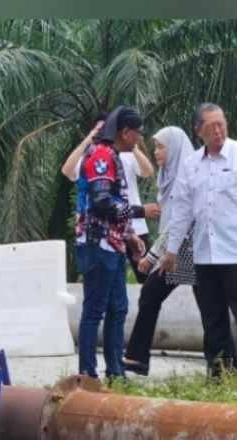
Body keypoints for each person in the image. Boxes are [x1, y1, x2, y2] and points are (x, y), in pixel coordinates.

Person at [159, 103, 237, 378]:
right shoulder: (190, 165)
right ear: (198, 131)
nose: (218, 131)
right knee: (212, 318)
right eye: (211, 126)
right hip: (204, 254)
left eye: (221, 124)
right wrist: (171, 250)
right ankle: (220, 370)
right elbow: (181, 211)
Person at [69, 106, 154, 381]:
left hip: (114, 243)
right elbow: (101, 202)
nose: (140, 139)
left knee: (118, 307)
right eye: (138, 133)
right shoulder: (101, 156)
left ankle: (116, 371)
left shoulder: (115, 156)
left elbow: (114, 204)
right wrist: (141, 212)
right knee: (95, 309)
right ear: (125, 132)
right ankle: (87, 373)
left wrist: (129, 236)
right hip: (96, 244)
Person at [123, 125, 198, 376]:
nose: (156, 152)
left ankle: (136, 357)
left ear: (175, 149)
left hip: (185, 249)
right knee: (209, 304)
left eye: (161, 146)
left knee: (151, 294)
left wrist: (153, 255)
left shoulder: (183, 177)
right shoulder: (168, 176)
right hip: (179, 247)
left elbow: (178, 222)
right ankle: (137, 357)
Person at [119, 144, 156, 283]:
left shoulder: (127, 156)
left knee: (148, 276)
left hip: (136, 227)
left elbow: (148, 171)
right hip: (112, 228)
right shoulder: (96, 158)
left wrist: (133, 146)